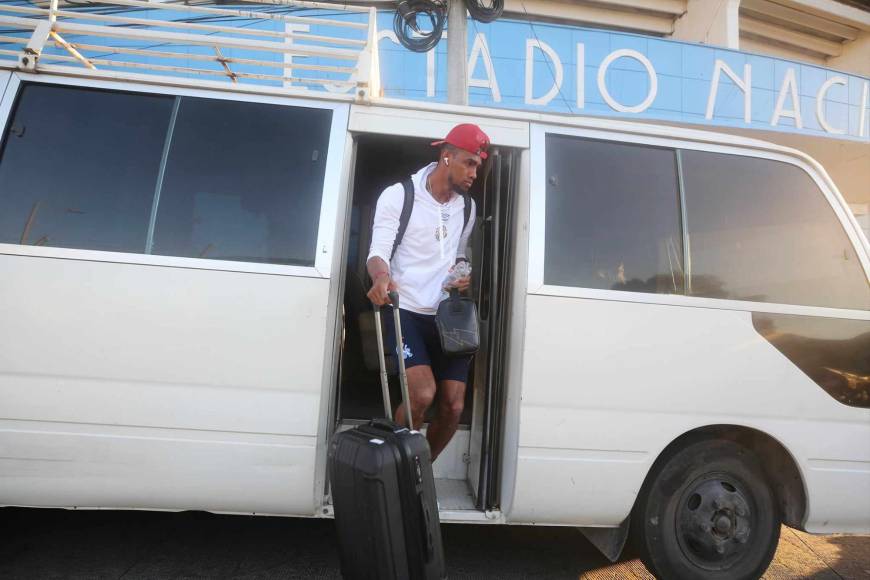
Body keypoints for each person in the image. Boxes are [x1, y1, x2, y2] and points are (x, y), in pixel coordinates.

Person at [366, 123, 489, 461]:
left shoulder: (467, 207)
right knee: (422, 395)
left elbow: (460, 254)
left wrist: (463, 274)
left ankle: (419, 474)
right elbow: (378, 252)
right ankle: (392, 467)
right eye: (469, 163)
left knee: (453, 405)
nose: (474, 173)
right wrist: (380, 277)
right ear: (446, 157)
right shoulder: (400, 194)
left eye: (477, 165)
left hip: (449, 316)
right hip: (405, 309)